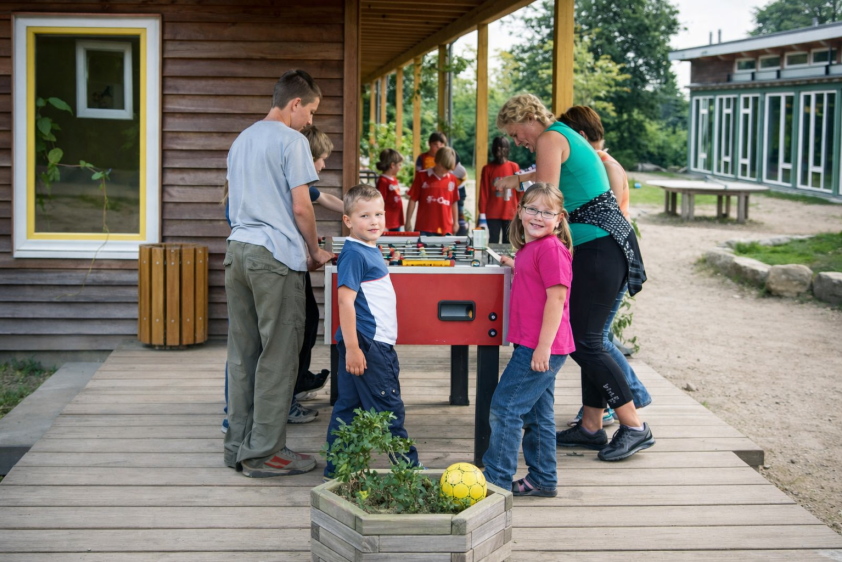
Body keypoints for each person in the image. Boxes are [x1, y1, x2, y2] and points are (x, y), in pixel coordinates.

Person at [494, 94, 653, 462]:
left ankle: (634, 426)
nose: (516, 141)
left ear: (528, 117)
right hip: (602, 245)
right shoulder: (559, 136)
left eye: (516, 133)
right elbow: (547, 177)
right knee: (587, 337)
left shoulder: (550, 137)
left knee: (585, 340)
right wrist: (517, 177)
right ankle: (591, 427)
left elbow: (546, 197)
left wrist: (524, 247)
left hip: (600, 247)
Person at [223, 69, 333, 478]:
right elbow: (302, 207)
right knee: (279, 356)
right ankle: (265, 453)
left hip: (238, 252)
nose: (310, 121)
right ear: (295, 104)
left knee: (243, 354)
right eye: (311, 111)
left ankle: (237, 445)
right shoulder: (291, 141)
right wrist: (314, 250)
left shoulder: (242, 139)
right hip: (274, 258)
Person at [558, 106, 652, 427]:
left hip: (610, 255)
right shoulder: (598, 163)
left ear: (580, 137)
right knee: (594, 338)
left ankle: (630, 402)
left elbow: (601, 216)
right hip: (604, 255)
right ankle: (592, 422)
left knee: (593, 340)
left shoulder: (605, 166)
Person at [482, 183, 575, 497]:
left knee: (505, 408)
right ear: (520, 211)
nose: (538, 216)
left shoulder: (551, 249)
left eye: (546, 212)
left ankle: (496, 483)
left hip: (541, 346)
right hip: (533, 344)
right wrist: (513, 265)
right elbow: (532, 274)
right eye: (531, 209)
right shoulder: (531, 249)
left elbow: (557, 299)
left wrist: (543, 348)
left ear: (559, 219)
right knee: (538, 414)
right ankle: (543, 479)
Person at [323, 184, 420, 478]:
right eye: (365, 215)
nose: (374, 221)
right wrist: (353, 348)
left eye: (378, 213)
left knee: (349, 407)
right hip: (369, 346)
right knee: (388, 407)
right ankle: (408, 471)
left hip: (366, 342)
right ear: (348, 221)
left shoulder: (368, 248)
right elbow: (345, 300)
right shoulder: (355, 253)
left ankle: (338, 468)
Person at [415, 132, 468, 234]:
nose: (438, 148)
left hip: (450, 191)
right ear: (429, 144)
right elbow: (418, 174)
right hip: (429, 191)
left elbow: (459, 172)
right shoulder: (423, 158)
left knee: (457, 218)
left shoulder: (450, 154)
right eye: (435, 145)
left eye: (441, 145)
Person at [405, 147, 460, 236]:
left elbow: (454, 201)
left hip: (445, 228)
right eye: (444, 167)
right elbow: (412, 199)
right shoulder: (422, 176)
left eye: (448, 168)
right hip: (423, 227)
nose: (446, 170)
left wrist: (456, 222)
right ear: (437, 161)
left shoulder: (452, 179)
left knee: (445, 250)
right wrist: (408, 221)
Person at [478, 136, 521, 244]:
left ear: (507, 149)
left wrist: (522, 208)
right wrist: (482, 214)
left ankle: (507, 261)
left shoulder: (514, 167)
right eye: (496, 147)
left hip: (510, 211)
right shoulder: (487, 169)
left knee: (509, 242)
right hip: (493, 213)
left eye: (502, 147)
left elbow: (520, 190)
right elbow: (483, 192)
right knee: (493, 241)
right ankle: (492, 261)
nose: (499, 150)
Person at [375, 148, 405, 232]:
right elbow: (379, 203)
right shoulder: (383, 181)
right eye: (399, 165)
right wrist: (381, 223)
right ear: (392, 165)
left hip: (396, 221)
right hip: (387, 223)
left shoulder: (393, 179)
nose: (400, 168)